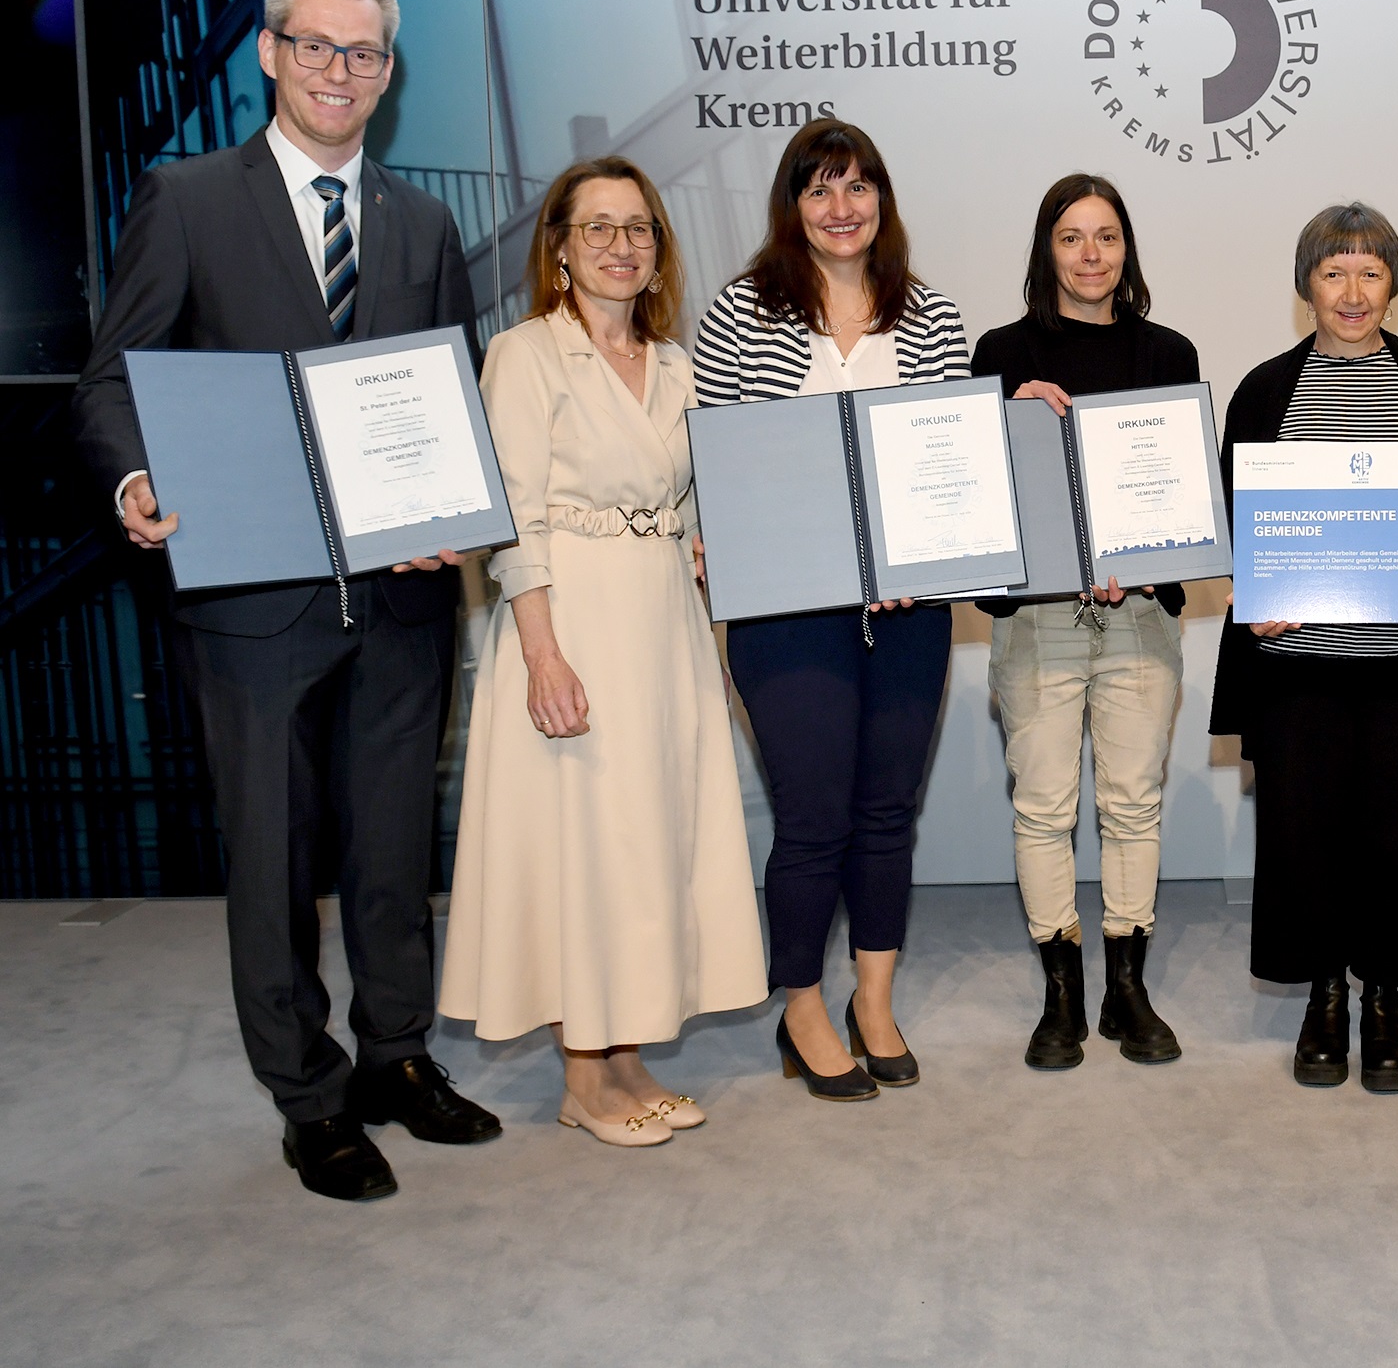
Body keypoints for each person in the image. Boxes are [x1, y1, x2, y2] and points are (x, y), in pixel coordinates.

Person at [71, 0, 498, 1201]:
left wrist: (458, 519)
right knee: (271, 857)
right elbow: (113, 380)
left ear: (388, 70)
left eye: (364, 55)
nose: (339, 73)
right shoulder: (189, 198)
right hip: (254, 601)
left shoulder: (420, 223)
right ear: (269, 52)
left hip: (403, 601)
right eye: (316, 48)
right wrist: (132, 481)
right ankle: (307, 1096)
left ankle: (397, 1057)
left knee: (388, 848)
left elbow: (450, 398)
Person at [438, 158, 768, 1145]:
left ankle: (626, 1061)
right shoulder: (525, 354)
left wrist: (714, 575)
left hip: (660, 625)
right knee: (580, 844)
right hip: (568, 623)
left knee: (643, 844)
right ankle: (582, 1078)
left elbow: (692, 503)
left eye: (638, 228)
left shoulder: (677, 366)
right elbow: (515, 521)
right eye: (598, 227)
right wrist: (542, 655)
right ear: (560, 247)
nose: (620, 245)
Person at [693, 119, 967, 1101]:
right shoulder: (739, 312)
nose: (841, 207)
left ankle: (874, 998)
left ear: (882, 200)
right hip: (786, 612)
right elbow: (714, 460)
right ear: (791, 206)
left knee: (887, 811)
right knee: (811, 819)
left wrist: (919, 553)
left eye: (858, 187)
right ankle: (800, 1002)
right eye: (819, 189)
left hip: (907, 610)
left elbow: (947, 468)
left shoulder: (930, 315)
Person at [1210, 203, 1398, 1094]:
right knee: (1304, 839)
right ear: (1306, 285)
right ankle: (1323, 994)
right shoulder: (1263, 392)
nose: (1352, 291)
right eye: (1333, 271)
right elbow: (1233, 534)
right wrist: (1244, 597)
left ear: (1394, 285)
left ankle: (1385, 998)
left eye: (1370, 272)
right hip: (1299, 669)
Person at [971, 173, 1200, 1071]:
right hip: (1038, 621)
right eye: (1072, 237)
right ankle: (1060, 994)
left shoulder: (1168, 353)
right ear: (1047, 251)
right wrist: (1005, 421)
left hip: (1138, 615)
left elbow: (1178, 497)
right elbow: (974, 499)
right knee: (1043, 808)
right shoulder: (1000, 352)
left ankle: (1125, 989)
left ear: (1127, 250)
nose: (1091, 255)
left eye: (1107, 236)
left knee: (1133, 804)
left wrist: (1141, 563)